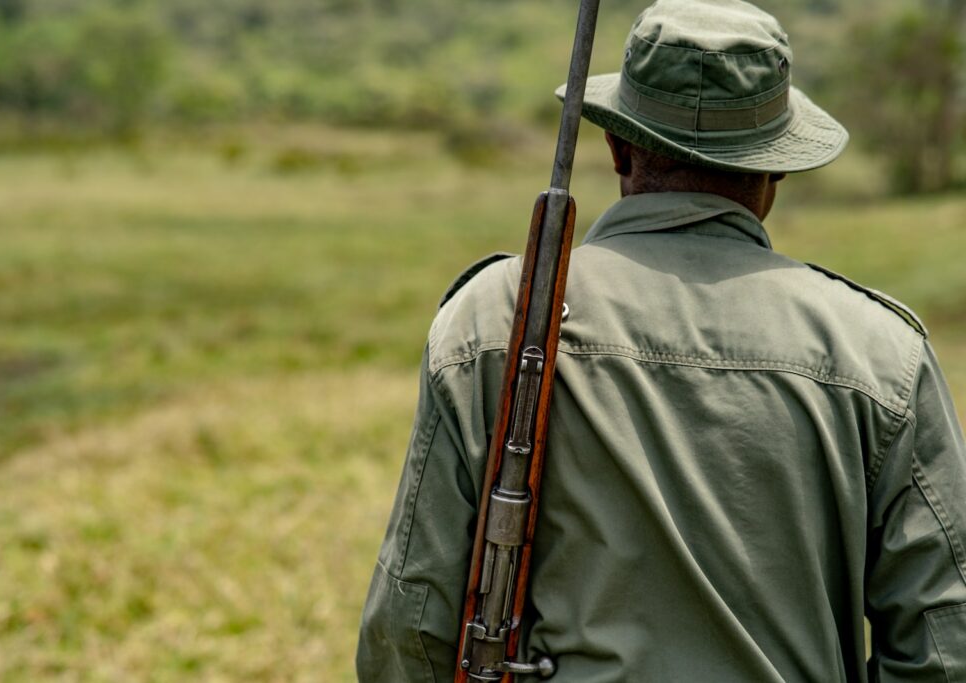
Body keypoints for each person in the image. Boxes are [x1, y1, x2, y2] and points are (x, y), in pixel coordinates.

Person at [357, 0, 966, 680]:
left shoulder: (490, 320)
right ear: (777, 171)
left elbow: (409, 623)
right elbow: (944, 645)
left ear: (618, 145)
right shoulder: (882, 353)